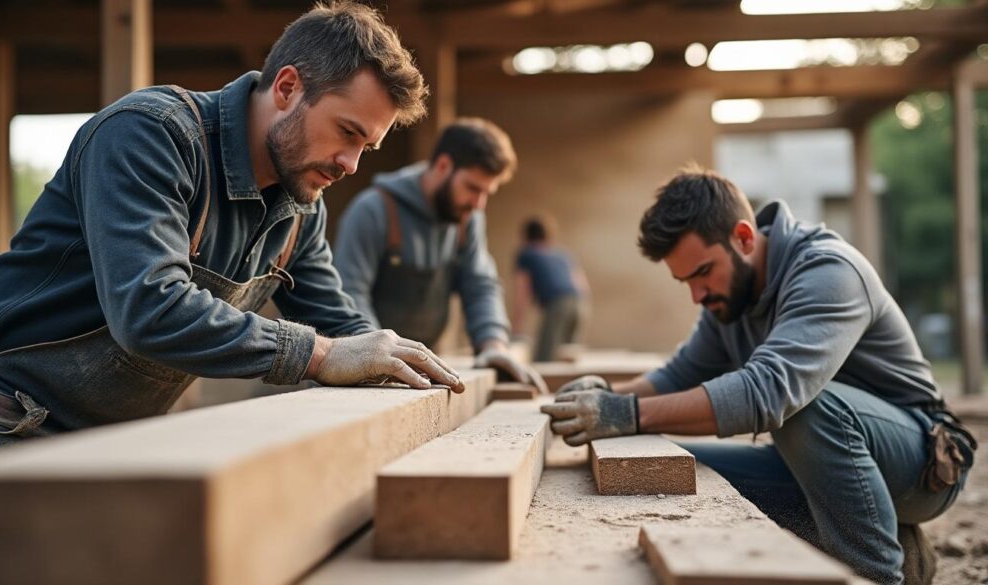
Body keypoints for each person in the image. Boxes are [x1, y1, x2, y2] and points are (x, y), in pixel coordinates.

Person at [0, 1, 464, 454]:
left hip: (111, 443)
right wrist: (318, 354)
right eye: (347, 132)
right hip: (4, 421)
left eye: (366, 148)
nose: (351, 164)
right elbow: (150, 309)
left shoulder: (299, 208)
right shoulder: (150, 135)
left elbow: (340, 328)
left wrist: (392, 360)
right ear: (287, 88)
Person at [541, 166, 976, 584]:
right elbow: (680, 375)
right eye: (684, 281)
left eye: (702, 273)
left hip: (924, 463)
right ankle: (906, 555)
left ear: (744, 238)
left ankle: (875, 574)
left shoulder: (828, 271)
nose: (696, 294)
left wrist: (626, 414)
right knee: (672, 462)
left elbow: (768, 394)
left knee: (804, 406)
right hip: (827, 461)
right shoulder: (728, 298)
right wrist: (607, 397)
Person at [333, 118, 546, 392]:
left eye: (486, 193)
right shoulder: (373, 210)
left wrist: (493, 344)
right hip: (368, 373)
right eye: (473, 188)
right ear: (443, 166)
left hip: (421, 372)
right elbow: (350, 294)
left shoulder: (467, 220)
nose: (478, 204)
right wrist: (379, 358)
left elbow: (480, 285)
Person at [511, 215, 589, 362]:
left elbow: (522, 295)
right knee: (567, 357)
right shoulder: (562, 255)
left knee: (544, 358)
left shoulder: (526, 255)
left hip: (557, 305)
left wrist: (517, 331)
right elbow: (582, 285)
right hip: (580, 304)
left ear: (526, 235)